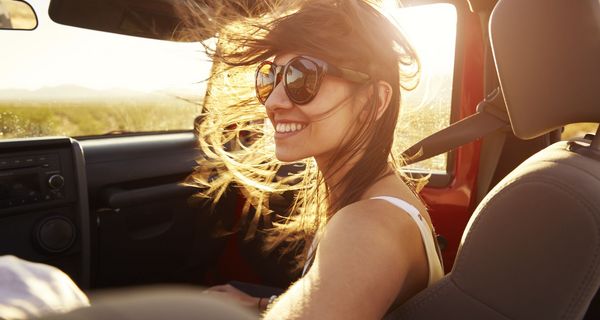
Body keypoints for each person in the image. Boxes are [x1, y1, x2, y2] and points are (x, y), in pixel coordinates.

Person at [183, 0, 445, 318]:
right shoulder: (372, 199)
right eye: (270, 78)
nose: (274, 102)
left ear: (375, 100)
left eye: (301, 77)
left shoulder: (368, 227)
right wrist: (262, 304)